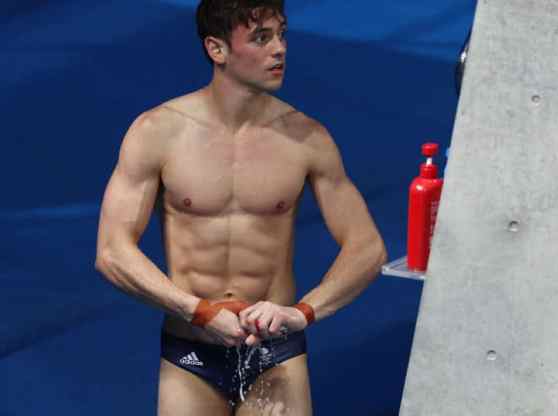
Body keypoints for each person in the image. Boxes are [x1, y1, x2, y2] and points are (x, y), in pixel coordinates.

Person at [94, 0, 388, 414]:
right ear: (217, 50)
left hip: (275, 353)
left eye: (282, 34)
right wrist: (198, 311)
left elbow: (368, 248)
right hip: (190, 353)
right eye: (261, 38)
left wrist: (302, 313)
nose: (280, 49)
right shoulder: (157, 133)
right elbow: (111, 252)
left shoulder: (307, 139)